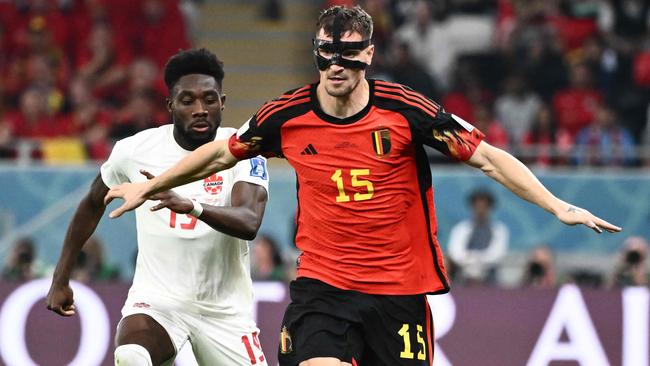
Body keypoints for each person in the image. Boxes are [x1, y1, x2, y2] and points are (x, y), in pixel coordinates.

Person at [104, 6, 621, 366]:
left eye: (348, 54)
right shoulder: (286, 115)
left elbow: (487, 158)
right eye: (326, 52)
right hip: (323, 291)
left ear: (369, 55)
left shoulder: (407, 110)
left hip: (398, 293)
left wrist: (556, 205)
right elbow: (220, 152)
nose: (335, 65)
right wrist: (148, 188)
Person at [46, 48, 270, 366]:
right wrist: (60, 279)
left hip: (225, 313)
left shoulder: (243, 149)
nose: (200, 109)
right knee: (132, 355)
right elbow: (92, 203)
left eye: (209, 99)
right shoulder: (135, 151)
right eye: (187, 100)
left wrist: (192, 206)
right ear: (170, 105)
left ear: (223, 102)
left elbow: (250, 221)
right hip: (158, 303)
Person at [447, 189, 509, 286]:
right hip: (463, 278)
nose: (480, 210)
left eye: (484, 207)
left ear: (489, 208)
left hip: (490, 279)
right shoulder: (461, 228)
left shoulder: (499, 230)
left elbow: (497, 254)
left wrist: (478, 260)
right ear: (472, 207)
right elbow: (455, 252)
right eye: (477, 207)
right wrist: (469, 260)